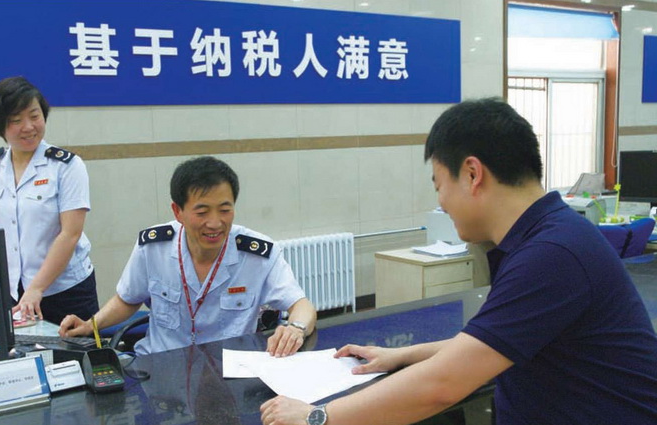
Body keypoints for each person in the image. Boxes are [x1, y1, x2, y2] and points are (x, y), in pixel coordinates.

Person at [260, 98, 657, 425]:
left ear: (471, 174)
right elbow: (488, 344)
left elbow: (442, 385)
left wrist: (317, 417)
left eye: (439, 185)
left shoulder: (552, 253)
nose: (441, 202)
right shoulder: (548, 236)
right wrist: (400, 355)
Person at [60, 156, 316, 356]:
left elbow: (301, 305)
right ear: (178, 211)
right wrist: (91, 325)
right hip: (162, 366)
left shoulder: (258, 254)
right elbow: (128, 300)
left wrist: (296, 329)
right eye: (202, 212)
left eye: (224, 210)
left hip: (231, 369)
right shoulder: (153, 247)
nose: (215, 223)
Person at [0, 76, 98, 325]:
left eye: (35, 116)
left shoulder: (66, 166)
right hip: (14, 291)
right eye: (16, 120)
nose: (29, 127)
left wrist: (36, 288)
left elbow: (70, 234)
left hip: (65, 291)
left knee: (75, 349)